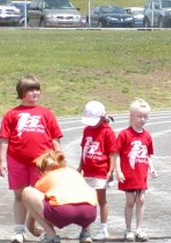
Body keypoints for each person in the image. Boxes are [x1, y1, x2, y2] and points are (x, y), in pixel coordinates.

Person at [0, 76, 63, 243]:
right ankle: (19, 230)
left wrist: (59, 158)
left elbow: (55, 137)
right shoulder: (11, 114)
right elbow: (4, 139)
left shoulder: (46, 113)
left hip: (41, 162)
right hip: (17, 160)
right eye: (31, 90)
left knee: (40, 197)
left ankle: (42, 229)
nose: (36, 92)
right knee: (19, 195)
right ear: (22, 93)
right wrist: (2, 161)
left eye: (37, 89)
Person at [21, 150, 98, 243]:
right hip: (89, 213)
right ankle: (86, 233)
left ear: (43, 169)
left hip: (63, 212)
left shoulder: (45, 178)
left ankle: (51, 236)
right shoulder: (74, 172)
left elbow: (34, 204)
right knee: (85, 195)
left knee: (26, 192)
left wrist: (31, 227)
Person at [116, 98, 157, 242]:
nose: (143, 119)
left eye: (145, 116)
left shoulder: (147, 135)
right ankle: (128, 229)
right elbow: (116, 155)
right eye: (140, 116)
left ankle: (139, 229)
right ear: (132, 116)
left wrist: (151, 168)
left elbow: (147, 155)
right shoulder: (124, 134)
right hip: (128, 174)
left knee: (141, 200)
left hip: (141, 174)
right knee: (129, 202)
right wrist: (118, 171)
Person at [78, 100, 117, 242]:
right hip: (87, 170)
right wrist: (80, 166)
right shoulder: (87, 130)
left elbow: (112, 153)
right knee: (85, 200)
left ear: (102, 117)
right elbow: (84, 149)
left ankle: (103, 228)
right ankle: (85, 228)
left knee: (101, 199)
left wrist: (110, 171)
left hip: (101, 170)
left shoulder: (108, 132)